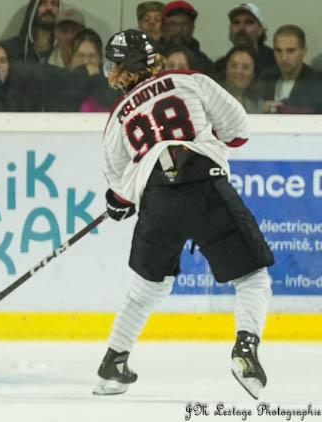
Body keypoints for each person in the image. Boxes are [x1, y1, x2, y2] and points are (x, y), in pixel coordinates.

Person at [95, 29, 273, 400]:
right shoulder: (189, 80)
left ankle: (113, 362)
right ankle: (245, 349)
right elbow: (239, 131)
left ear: (122, 68)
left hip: (158, 200)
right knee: (252, 276)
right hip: (204, 183)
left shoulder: (117, 119)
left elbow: (121, 189)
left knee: (148, 287)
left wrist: (118, 201)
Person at [261, 25, 322, 114]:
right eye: (278, 50)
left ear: (304, 51)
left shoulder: (318, 84)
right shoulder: (263, 80)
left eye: (290, 51)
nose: (284, 57)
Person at [214, 3, 276, 76]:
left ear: (260, 30)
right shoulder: (219, 67)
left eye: (249, 22)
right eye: (236, 22)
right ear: (230, 29)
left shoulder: (276, 62)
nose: (241, 28)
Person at [68, 28, 121, 112]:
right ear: (71, 58)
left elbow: (113, 105)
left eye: (91, 56)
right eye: (81, 56)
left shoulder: (111, 86)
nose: (86, 61)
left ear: (100, 59)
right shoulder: (61, 82)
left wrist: (95, 78)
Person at [160, 1, 215, 77]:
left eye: (184, 24)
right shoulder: (148, 59)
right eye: (172, 24)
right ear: (162, 27)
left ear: (192, 27)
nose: (178, 30)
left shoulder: (205, 64)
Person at [221, 46, 263, 114]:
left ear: (254, 74)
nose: (238, 71)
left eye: (245, 67)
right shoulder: (211, 99)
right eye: (233, 65)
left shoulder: (261, 107)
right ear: (225, 69)